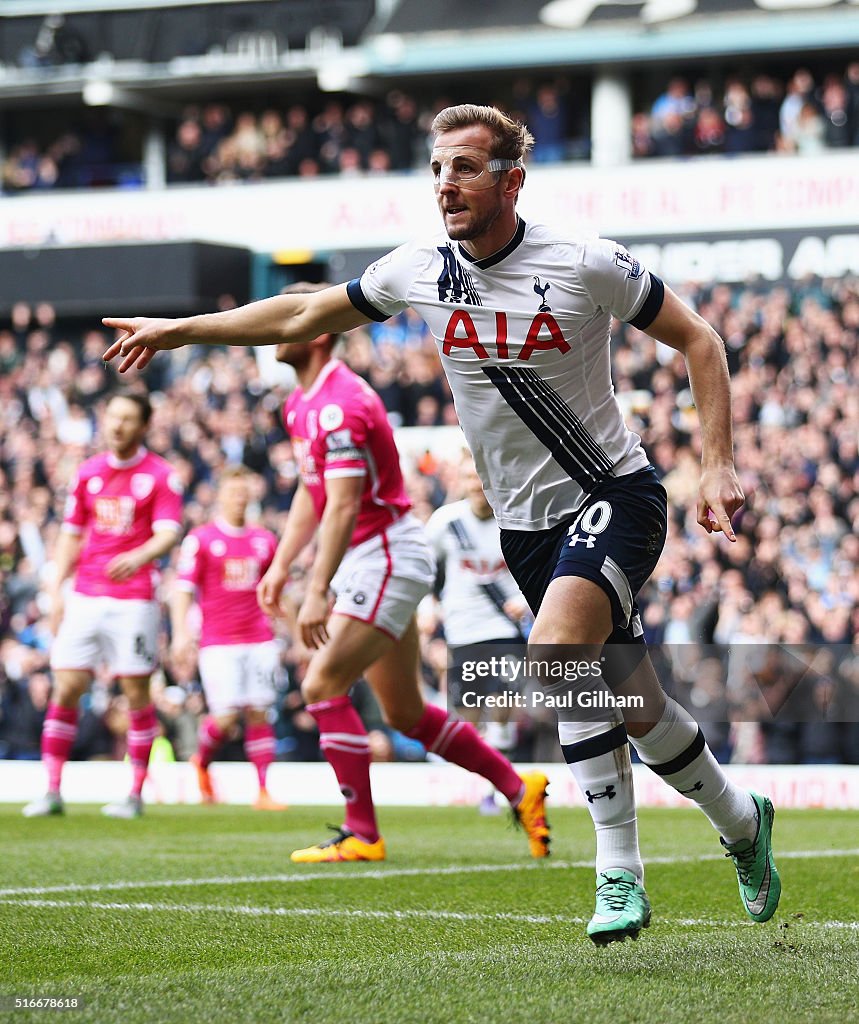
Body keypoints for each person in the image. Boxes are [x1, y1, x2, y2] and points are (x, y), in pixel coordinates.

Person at [101, 103, 780, 941]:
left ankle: (617, 872)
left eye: (463, 167)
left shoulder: (582, 263)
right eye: (436, 168)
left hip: (616, 491)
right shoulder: (418, 268)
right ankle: (743, 819)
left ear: (511, 180)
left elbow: (700, 340)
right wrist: (181, 332)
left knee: (557, 656)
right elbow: (304, 315)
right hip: (527, 529)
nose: (445, 184)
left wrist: (714, 459)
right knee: (632, 701)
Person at [172, 281, 549, 862]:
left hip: (387, 554)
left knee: (321, 684)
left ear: (316, 330)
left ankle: (362, 834)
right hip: (377, 556)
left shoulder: (340, 403)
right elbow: (312, 489)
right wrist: (281, 564)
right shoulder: (302, 401)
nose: (272, 327)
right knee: (403, 712)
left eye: (284, 315)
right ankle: (520, 789)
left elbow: (345, 504)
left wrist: (317, 588)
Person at [23, 391, 183, 819]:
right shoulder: (87, 473)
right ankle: (52, 789)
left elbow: (170, 531)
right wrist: (56, 589)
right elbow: (72, 535)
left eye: (127, 419)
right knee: (67, 686)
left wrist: (140, 555)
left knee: (135, 693)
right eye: (112, 416)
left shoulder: (162, 475)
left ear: (143, 425)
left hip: (133, 601)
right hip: (86, 596)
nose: (117, 426)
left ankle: (134, 794)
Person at [170, 465, 286, 811]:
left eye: (244, 493)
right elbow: (183, 590)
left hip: (260, 638)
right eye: (233, 492)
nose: (239, 498)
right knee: (224, 717)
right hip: (218, 641)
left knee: (259, 711)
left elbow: (278, 592)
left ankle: (263, 790)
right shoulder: (202, 539)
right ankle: (201, 762)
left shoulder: (264, 540)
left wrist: (291, 628)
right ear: (220, 495)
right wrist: (180, 634)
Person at [425, 453, 530, 811]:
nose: (476, 486)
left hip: (504, 626)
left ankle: (498, 790)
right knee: (468, 715)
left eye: (481, 478)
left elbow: (536, 567)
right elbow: (422, 568)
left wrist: (524, 601)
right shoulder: (446, 522)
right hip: (462, 629)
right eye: (470, 478)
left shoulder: (512, 519)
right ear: (462, 482)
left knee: (502, 703)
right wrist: (427, 608)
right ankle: (483, 782)